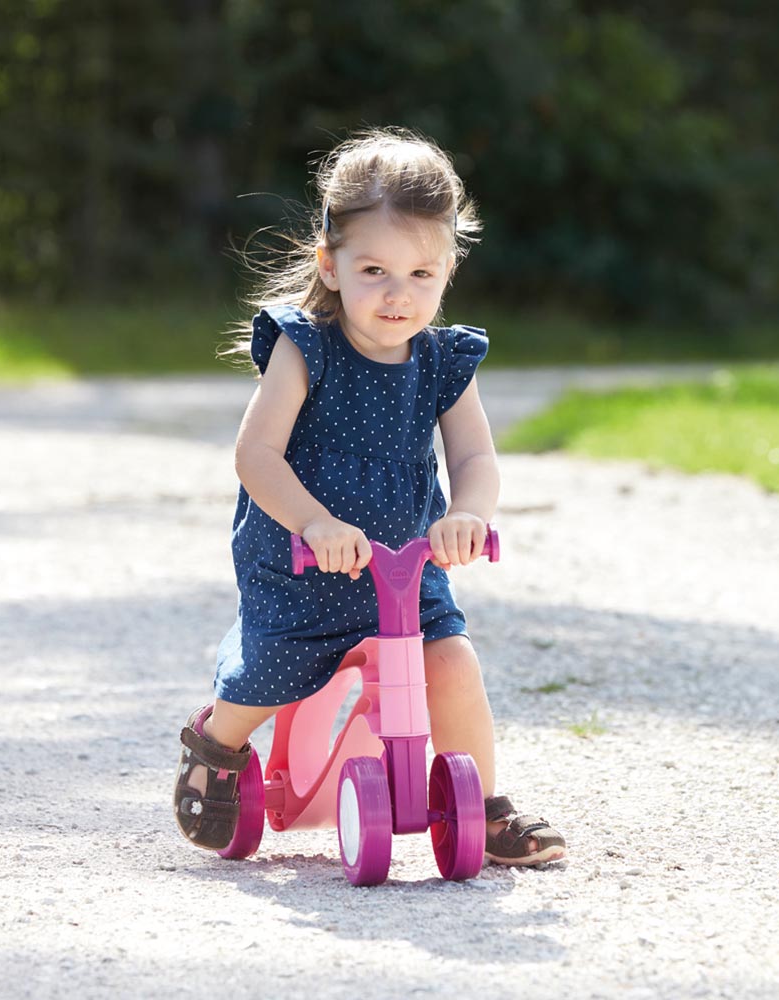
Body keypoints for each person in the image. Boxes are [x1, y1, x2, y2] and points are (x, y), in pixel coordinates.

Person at [174, 127, 565, 867]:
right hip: (301, 560)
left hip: (406, 564)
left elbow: (475, 454)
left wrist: (468, 514)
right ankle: (217, 742)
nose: (398, 294)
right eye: (375, 270)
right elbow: (255, 453)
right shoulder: (306, 345)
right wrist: (313, 522)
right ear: (331, 265)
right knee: (273, 671)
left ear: (449, 269)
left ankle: (479, 802)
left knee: (451, 665)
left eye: (422, 274)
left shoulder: (445, 359)